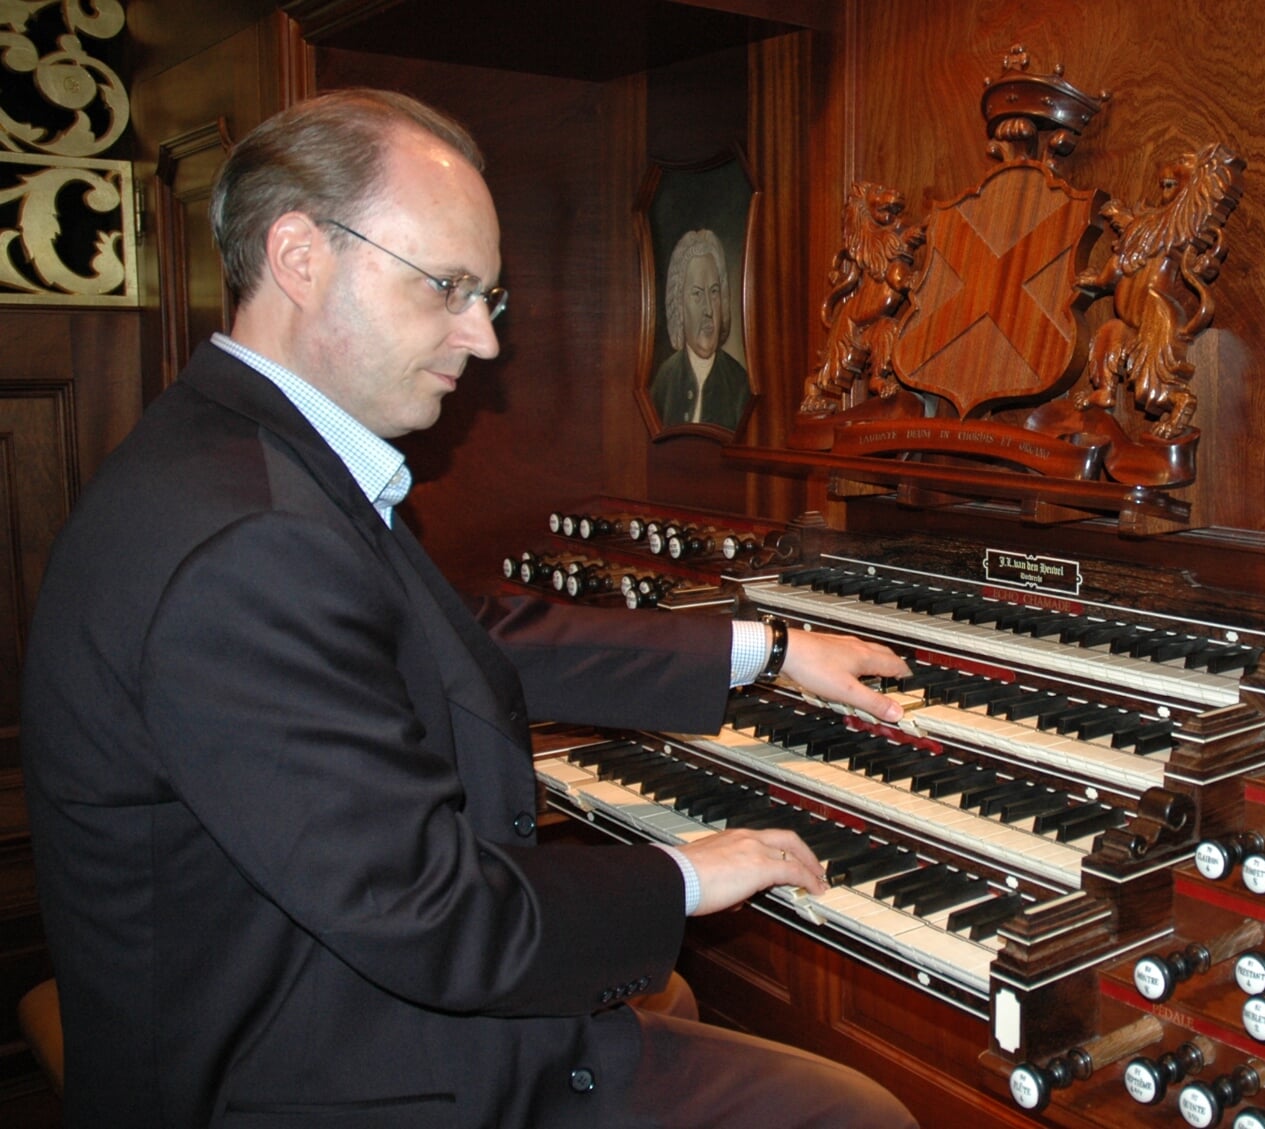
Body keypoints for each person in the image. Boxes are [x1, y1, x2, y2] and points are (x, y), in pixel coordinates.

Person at [21, 89, 916, 1129]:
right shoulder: (250, 537)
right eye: (447, 287)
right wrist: (679, 873)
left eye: (486, 298)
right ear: (300, 255)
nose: (480, 341)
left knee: (689, 1019)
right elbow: (431, 915)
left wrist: (764, 649)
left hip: (303, 990)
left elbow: (461, 637)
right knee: (847, 1115)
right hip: (300, 1071)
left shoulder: (237, 454)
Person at [650, 229, 752, 429]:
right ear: (679, 305)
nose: (708, 310)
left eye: (714, 292)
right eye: (697, 294)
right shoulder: (664, 380)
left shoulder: (740, 385)